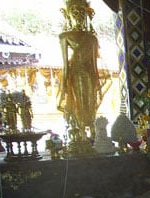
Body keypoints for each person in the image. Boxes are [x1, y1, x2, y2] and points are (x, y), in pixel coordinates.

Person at [58, 0, 102, 138]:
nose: (79, 15)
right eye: (75, 12)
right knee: (78, 100)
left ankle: (92, 129)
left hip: (88, 74)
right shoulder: (65, 37)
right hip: (75, 73)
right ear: (68, 15)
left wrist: (98, 83)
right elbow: (65, 65)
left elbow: (94, 66)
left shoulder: (92, 38)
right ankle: (80, 130)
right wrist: (63, 86)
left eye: (82, 12)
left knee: (89, 99)